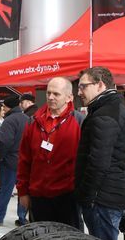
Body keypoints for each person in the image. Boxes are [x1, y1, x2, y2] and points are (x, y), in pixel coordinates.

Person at [74, 67, 125, 240]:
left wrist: (87, 197)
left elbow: (98, 162)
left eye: (83, 86)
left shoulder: (105, 115)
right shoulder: (114, 109)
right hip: (108, 195)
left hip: (101, 199)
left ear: (99, 85)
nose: (79, 92)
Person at [16, 77, 82, 228]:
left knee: (68, 239)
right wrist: (23, 192)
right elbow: (24, 159)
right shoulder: (33, 121)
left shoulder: (79, 122)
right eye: (48, 93)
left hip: (68, 197)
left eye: (56, 94)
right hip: (38, 196)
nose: (51, 97)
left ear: (69, 97)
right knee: (40, 238)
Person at [0, 95, 28, 227]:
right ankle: (22, 218)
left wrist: (0, 157)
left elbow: (5, 142)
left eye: (4, 106)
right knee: (23, 191)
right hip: (24, 162)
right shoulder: (27, 119)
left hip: (9, 162)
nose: (3, 109)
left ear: (9, 107)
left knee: (5, 190)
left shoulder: (9, 121)